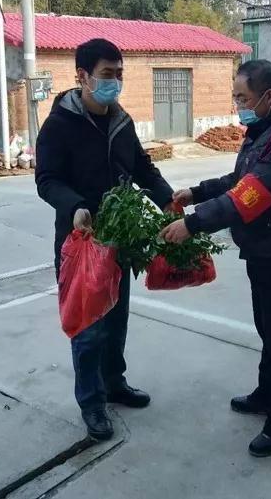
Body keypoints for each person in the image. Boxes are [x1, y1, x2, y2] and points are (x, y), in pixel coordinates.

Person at [160, 59, 271, 457]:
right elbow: (241, 180)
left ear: (268, 96)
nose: (238, 105)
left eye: (243, 98)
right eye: (235, 97)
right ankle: (268, 393)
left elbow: (251, 196)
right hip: (265, 249)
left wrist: (193, 223)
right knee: (269, 328)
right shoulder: (267, 128)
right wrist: (197, 192)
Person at [36, 38, 174, 441]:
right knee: (88, 326)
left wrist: (168, 198)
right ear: (82, 76)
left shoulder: (121, 120)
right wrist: (75, 207)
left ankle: (114, 383)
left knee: (115, 319)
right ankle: (92, 402)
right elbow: (47, 180)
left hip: (119, 237)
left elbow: (142, 167)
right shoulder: (60, 125)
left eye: (119, 74)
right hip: (81, 242)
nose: (115, 82)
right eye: (107, 74)